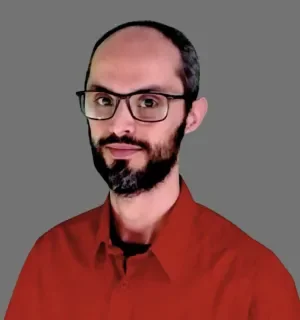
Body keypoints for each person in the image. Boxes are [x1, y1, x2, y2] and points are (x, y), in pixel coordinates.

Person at [4, 20, 300, 320]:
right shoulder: (49, 257)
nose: (119, 125)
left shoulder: (258, 282)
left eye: (148, 101)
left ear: (192, 117)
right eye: (104, 100)